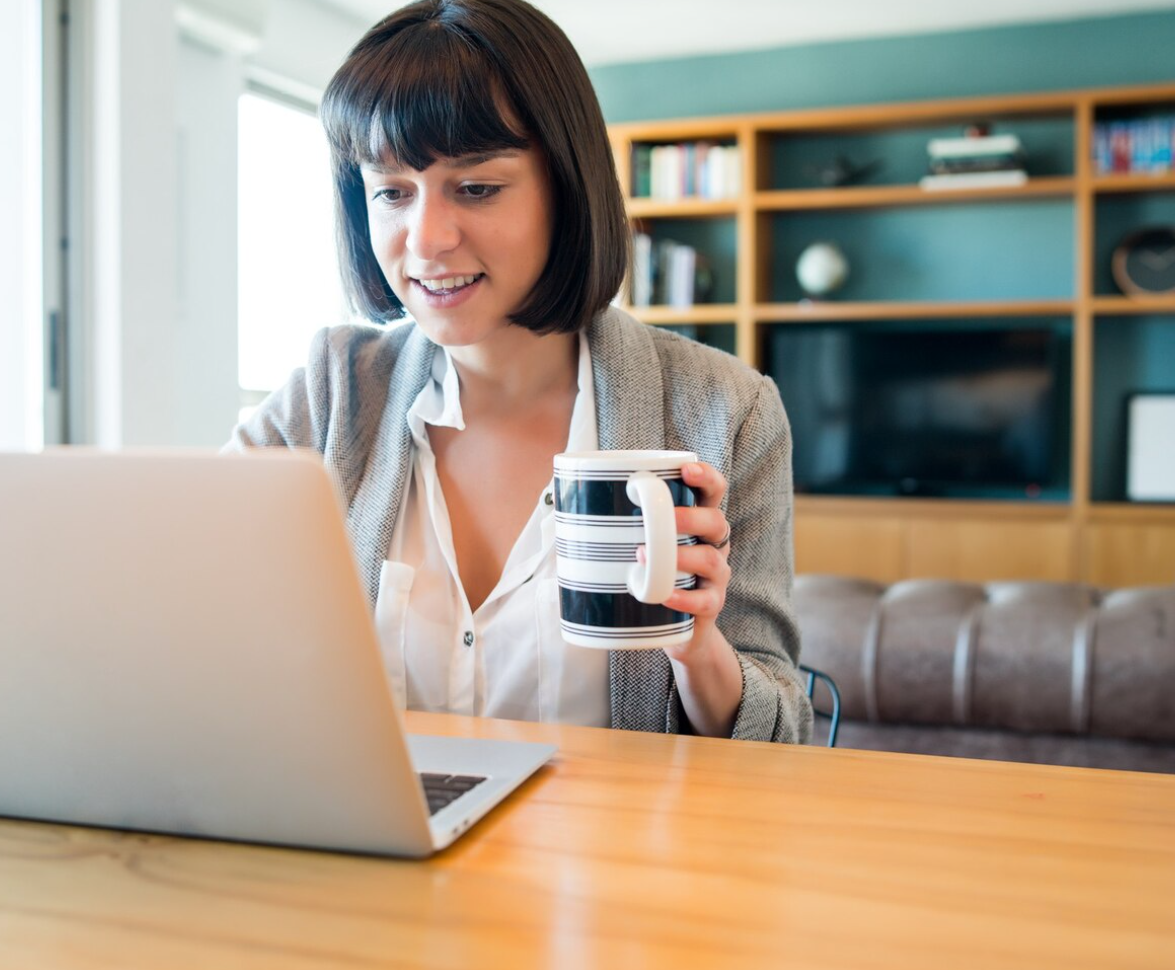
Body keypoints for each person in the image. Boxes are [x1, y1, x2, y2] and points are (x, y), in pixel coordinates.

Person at [228, 0, 812, 743]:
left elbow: (784, 734)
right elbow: (171, 580)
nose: (427, 239)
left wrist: (697, 647)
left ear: (565, 190)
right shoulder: (332, 391)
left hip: (616, 854)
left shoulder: (725, 410)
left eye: (476, 188)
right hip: (382, 848)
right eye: (392, 192)